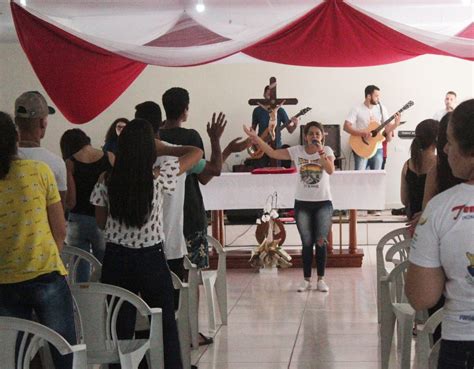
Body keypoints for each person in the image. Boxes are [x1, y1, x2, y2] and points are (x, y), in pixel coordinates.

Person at [90, 118, 202, 369]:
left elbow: (101, 222)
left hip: (116, 260)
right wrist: (165, 148)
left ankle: (123, 365)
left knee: (119, 324)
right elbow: (196, 152)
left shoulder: (106, 178)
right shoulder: (160, 177)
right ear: (150, 149)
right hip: (150, 259)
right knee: (163, 323)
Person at [0, 112, 76, 369]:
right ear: (15, 139)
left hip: (4, 281)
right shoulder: (40, 171)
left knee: (13, 356)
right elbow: (60, 229)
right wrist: (49, 259)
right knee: (63, 351)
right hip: (45, 273)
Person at [406, 99, 474, 369]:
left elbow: (422, 296)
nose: (445, 150)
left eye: (450, 141)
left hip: (464, 341)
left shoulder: (440, 208)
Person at [244, 121, 335, 292]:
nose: (314, 136)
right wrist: (256, 138)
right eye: (311, 133)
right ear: (305, 136)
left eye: (317, 133)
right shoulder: (297, 151)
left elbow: (330, 170)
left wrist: (321, 152)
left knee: (321, 242)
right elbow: (272, 152)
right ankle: (306, 279)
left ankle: (321, 279)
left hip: (323, 203)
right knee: (307, 242)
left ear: (322, 136)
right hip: (303, 203)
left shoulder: (327, 151)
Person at [60, 129, 114, 282]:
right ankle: (105, 302)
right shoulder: (109, 157)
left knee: (79, 267)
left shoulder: (70, 163)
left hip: (77, 221)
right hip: (103, 220)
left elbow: (71, 201)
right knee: (105, 268)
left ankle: (84, 302)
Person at [14, 91, 67, 207]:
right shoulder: (56, 163)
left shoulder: (5, 158)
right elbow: (59, 211)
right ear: (43, 123)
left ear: (16, 121)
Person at [343, 85, 400, 170]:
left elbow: (387, 129)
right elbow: (346, 127)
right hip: (361, 147)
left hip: (378, 149)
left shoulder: (382, 109)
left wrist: (395, 124)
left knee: (377, 178)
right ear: (368, 96)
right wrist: (362, 133)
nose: (378, 98)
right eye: (376, 96)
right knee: (360, 177)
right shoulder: (356, 109)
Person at [251, 85, 299, 167]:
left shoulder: (280, 111)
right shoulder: (257, 110)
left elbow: (290, 130)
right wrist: (253, 143)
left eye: (272, 95)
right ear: (264, 95)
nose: (270, 97)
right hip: (261, 145)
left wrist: (295, 124)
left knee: (277, 172)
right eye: (268, 94)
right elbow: (252, 129)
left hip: (277, 147)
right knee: (260, 172)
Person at [400, 119, 438, 220]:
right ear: (437, 138)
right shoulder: (439, 164)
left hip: (412, 216)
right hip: (433, 218)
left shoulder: (407, 164)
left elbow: (404, 200)